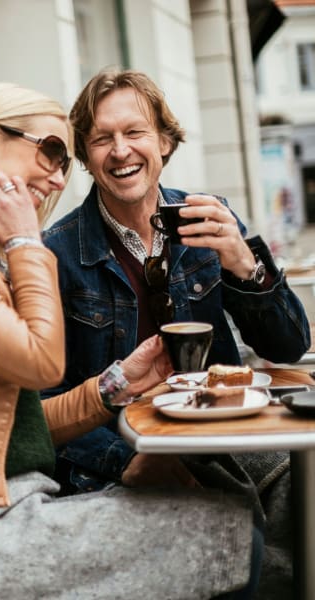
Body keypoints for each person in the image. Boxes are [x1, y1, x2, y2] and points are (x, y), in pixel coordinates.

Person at [0, 82, 260, 599]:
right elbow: (41, 364)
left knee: (231, 514)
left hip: (16, 504)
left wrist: (119, 381)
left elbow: (22, 430)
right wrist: (26, 240)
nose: (55, 178)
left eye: (64, 162)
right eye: (49, 151)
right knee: (227, 538)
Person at [41, 68, 309, 597]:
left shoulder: (208, 219)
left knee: (305, 490)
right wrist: (128, 460)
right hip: (123, 456)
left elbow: (290, 345)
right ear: (85, 156)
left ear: (164, 140)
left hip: (223, 435)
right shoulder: (57, 253)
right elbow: (45, 403)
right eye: (102, 139)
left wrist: (244, 265)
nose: (120, 151)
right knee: (229, 518)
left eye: (135, 132)